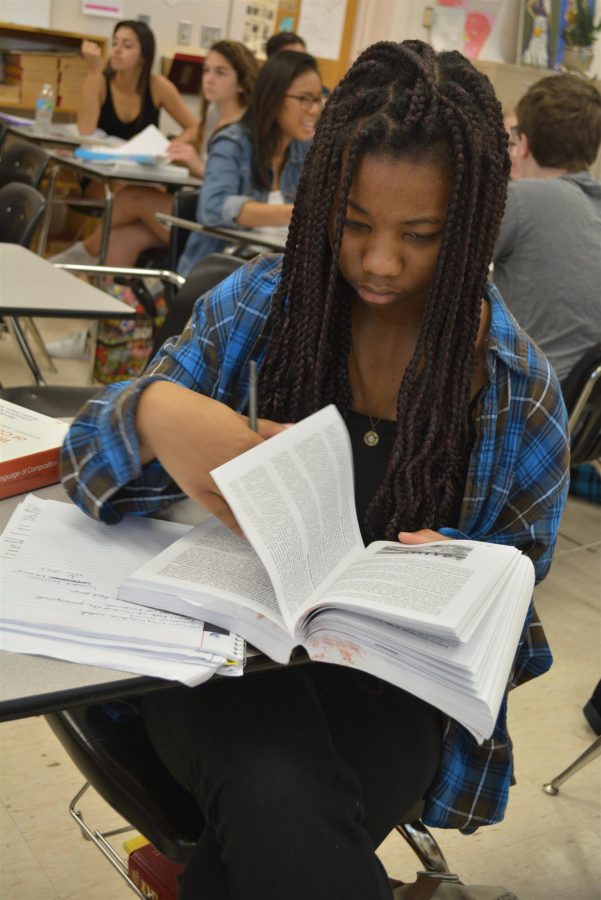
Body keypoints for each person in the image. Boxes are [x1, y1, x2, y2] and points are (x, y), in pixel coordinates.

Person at [60, 40, 570, 900]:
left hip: (387, 693)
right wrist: (154, 415)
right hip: (221, 667)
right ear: (321, 199)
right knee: (272, 787)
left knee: (266, 829)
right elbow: (81, 464)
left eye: (420, 236)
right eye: (353, 223)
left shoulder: (513, 388)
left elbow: (519, 579)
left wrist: (466, 575)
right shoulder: (260, 310)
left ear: (475, 223)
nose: (378, 262)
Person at [51, 41, 259, 270]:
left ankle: (75, 257)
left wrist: (196, 166)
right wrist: (178, 156)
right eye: (207, 70)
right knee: (118, 239)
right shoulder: (214, 112)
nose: (209, 79)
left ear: (242, 82)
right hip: (195, 206)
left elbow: (234, 193)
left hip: (217, 225)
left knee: (134, 196)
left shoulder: (245, 129)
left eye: (220, 72)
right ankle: (107, 296)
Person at [493, 74, 601, 384]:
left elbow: (448, 263)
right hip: (583, 411)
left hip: (528, 398)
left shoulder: (523, 199)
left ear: (523, 145)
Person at [177, 49, 321, 277]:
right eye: (304, 99)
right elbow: (212, 208)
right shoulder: (232, 142)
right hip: (219, 276)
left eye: (317, 99)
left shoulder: (303, 148)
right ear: (273, 97)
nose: (314, 109)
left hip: (274, 272)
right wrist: (293, 212)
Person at [77, 19, 198, 142]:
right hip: (99, 158)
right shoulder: (98, 80)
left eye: (127, 46)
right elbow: (85, 131)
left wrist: (168, 148)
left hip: (141, 160)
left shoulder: (158, 86)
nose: (117, 50)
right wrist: (94, 71)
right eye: (114, 43)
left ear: (143, 56)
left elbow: (195, 128)